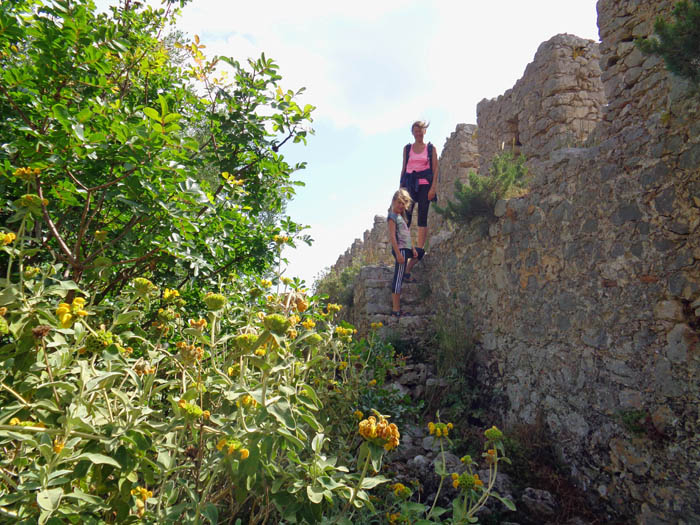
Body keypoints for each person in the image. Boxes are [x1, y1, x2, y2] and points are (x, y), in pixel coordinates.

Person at [399, 120, 439, 271]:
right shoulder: (407, 148)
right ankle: (404, 248)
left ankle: (420, 248)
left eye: (421, 130)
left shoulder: (430, 148)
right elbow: (404, 168)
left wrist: (433, 188)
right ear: (412, 132)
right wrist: (400, 189)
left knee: (422, 216)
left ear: (425, 132)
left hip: (425, 185)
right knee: (406, 216)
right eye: (416, 131)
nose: (418, 133)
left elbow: (435, 169)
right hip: (409, 184)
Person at [387, 189, 418, 317]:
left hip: (407, 249)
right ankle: (396, 310)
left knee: (421, 253)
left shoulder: (401, 217)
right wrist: (398, 254)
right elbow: (393, 237)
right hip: (400, 250)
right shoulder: (392, 217)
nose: (401, 206)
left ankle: (407, 272)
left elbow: (406, 235)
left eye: (403, 203)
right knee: (397, 279)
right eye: (399, 202)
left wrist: (413, 248)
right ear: (393, 201)